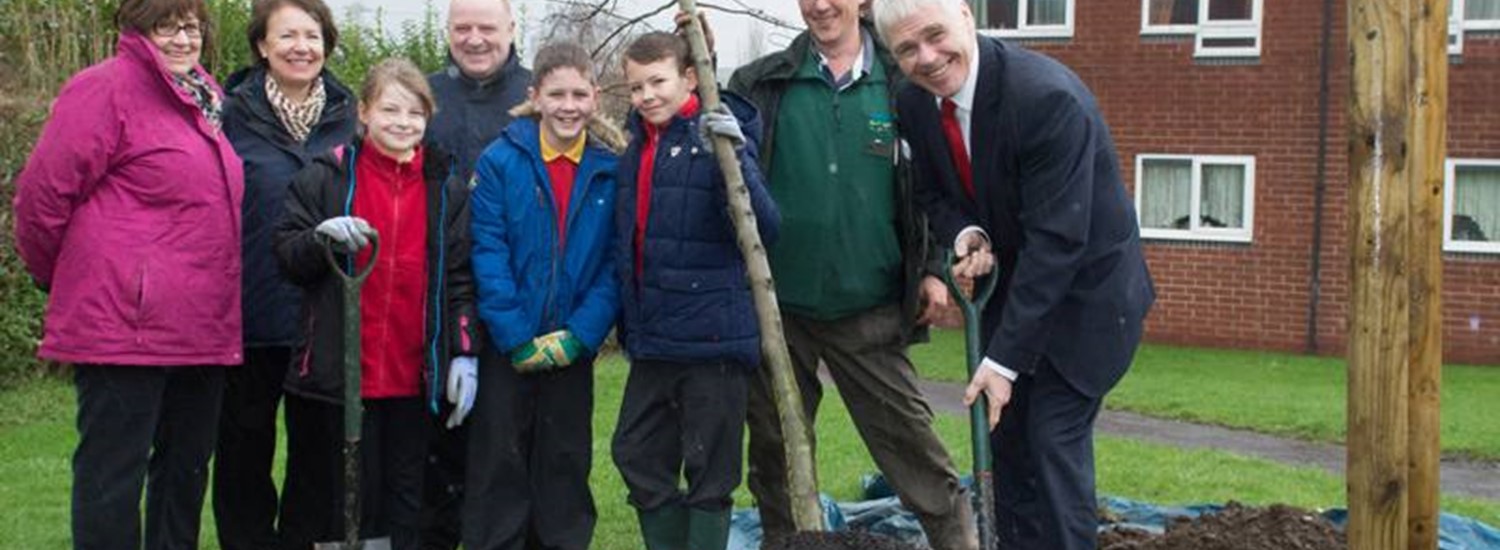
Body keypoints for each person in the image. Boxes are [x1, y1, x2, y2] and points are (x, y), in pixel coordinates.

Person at [872, 0, 1156, 548]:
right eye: (907, 48)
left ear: (965, 15)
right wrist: (967, 235)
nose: (927, 57)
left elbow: (1058, 242)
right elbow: (933, 192)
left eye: (935, 35)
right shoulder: (913, 103)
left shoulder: (1044, 99)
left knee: (1051, 442)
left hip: (1088, 303)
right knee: (1007, 449)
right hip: (1018, 293)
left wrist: (1003, 362)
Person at [726, 1, 977, 547]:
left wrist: (935, 268)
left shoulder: (903, 82)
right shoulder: (763, 83)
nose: (819, 5)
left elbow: (936, 187)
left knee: (913, 449)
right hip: (778, 311)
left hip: (870, 309)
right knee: (775, 454)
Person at [12, 0, 243, 547]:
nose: (183, 39)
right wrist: (66, 280)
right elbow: (41, 200)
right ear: (136, 29)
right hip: (123, 326)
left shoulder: (206, 98)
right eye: (167, 26)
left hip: (201, 326)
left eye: (191, 26)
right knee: (111, 479)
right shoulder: (105, 89)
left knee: (184, 474)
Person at [273, 58, 480, 550]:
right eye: (390, 109)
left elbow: (458, 278)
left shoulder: (444, 188)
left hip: (409, 378)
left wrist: (464, 350)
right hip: (338, 377)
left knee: (404, 498)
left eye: (415, 112)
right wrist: (318, 241)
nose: (402, 122)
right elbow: (286, 255)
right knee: (336, 500)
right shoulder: (326, 177)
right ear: (363, 112)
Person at [610, 31, 780, 550]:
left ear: (689, 78)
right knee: (635, 451)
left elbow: (765, 230)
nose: (646, 96)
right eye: (636, 87)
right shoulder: (637, 142)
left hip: (712, 339)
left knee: (711, 470)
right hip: (654, 336)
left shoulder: (719, 141)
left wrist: (736, 158)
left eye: (657, 81)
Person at [462, 41, 626, 550]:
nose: (569, 105)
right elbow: (488, 253)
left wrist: (578, 337)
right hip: (508, 347)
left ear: (595, 98)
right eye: (557, 93)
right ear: (535, 96)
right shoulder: (500, 161)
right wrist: (516, 337)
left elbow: (614, 265)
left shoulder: (609, 169)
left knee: (564, 466)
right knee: (500, 466)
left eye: (580, 93)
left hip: (570, 348)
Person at [215, 1, 356, 547]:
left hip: (324, 316)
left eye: (313, 35)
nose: (302, 46)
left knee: (318, 460)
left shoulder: (350, 117)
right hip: (250, 316)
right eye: (288, 35)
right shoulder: (228, 117)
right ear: (261, 46)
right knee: (243, 455)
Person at [421, 3, 532, 545]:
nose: (474, 39)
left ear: (512, 29)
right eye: (462, 27)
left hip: (520, 301)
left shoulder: (538, 98)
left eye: (487, 27)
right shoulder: (424, 99)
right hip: (436, 302)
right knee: (436, 455)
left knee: (509, 452)